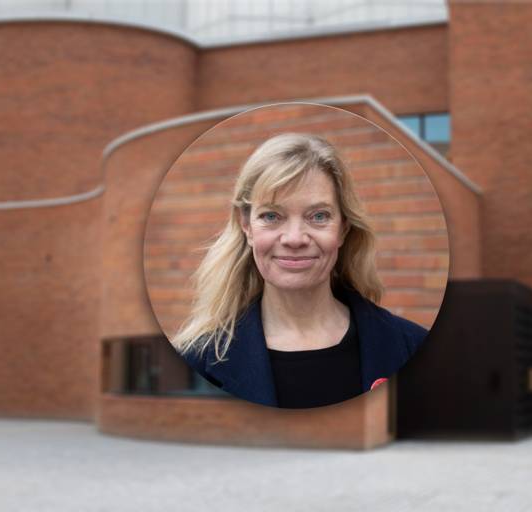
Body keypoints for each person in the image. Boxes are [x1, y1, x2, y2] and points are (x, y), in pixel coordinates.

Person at [171, 132, 427, 408]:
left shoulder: (414, 347)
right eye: (271, 216)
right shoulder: (194, 362)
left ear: (343, 229)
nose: (294, 238)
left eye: (318, 216)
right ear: (246, 226)